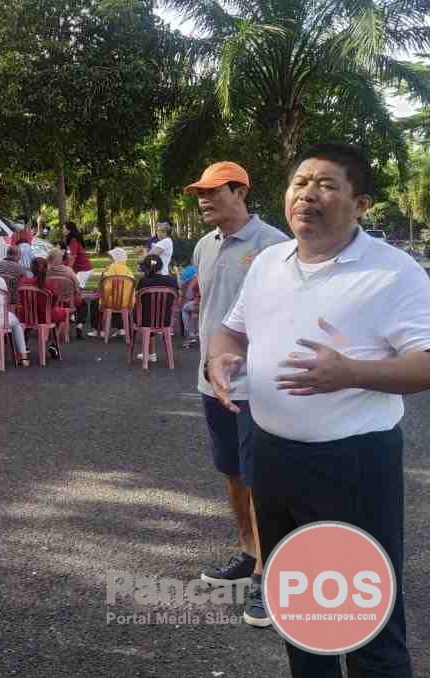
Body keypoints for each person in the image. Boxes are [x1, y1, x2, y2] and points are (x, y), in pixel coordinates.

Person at [208, 143, 430, 675]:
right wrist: (220, 358)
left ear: (361, 204)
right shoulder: (269, 262)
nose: (307, 194)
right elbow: (230, 329)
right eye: (300, 183)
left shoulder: (393, 272)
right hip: (274, 458)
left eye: (326, 185)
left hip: (353, 463)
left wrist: (351, 373)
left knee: (367, 618)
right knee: (301, 610)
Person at [184, 160, 288, 628]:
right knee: (231, 473)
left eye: (213, 192)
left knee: (261, 477)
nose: (203, 200)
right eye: (200, 194)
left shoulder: (274, 245)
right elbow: (210, 308)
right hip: (211, 382)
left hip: (255, 385)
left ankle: (269, 572)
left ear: (240, 192)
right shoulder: (204, 245)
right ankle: (248, 552)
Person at [20, 258, 68, 360]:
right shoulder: (50, 284)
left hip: (26, 316)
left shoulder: (24, 282)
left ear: (31, 269)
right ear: (46, 269)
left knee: (30, 316)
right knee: (64, 313)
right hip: (45, 317)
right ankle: (54, 344)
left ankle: (24, 343)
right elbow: (54, 301)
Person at [133, 254, 178, 362]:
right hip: (166, 319)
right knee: (151, 312)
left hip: (145, 320)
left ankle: (148, 353)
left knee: (144, 312)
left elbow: (137, 299)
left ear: (146, 268)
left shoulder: (143, 281)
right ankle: (152, 353)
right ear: (161, 266)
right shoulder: (172, 281)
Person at [87, 247, 136, 338]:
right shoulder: (128, 271)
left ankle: (99, 330)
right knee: (119, 304)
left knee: (95, 302)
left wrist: (101, 295)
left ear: (115, 258)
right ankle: (122, 329)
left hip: (111, 302)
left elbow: (106, 287)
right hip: (127, 302)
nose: (110, 260)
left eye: (111, 258)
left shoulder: (112, 268)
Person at [64, 221, 93, 288]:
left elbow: (73, 257)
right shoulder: (72, 240)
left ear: (69, 230)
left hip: (83, 269)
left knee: (77, 288)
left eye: (64, 229)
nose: (63, 231)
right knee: (73, 287)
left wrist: (68, 270)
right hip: (80, 269)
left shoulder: (73, 240)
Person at [179, 264, 199, 346]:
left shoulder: (197, 276)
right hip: (214, 305)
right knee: (194, 313)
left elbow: (190, 293)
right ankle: (195, 332)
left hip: (201, 303)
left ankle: (190, 334)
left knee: (185, 309)